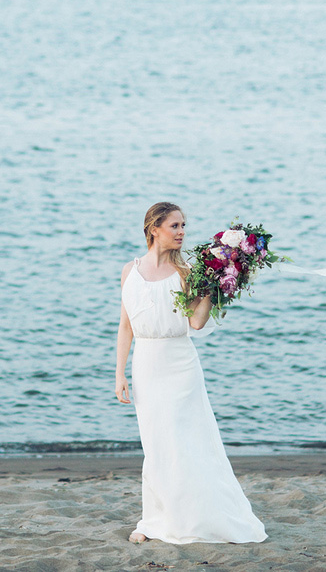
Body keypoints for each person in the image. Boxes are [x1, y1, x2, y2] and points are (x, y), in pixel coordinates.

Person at [115, 201, 267, 545]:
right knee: (155, 445)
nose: (182, 232)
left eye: (184, 225)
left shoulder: (186, 273)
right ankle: (155, 519)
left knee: (185, 442)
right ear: (154, 228)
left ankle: (194, 518)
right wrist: (119, 373)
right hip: (146, 364)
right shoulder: (129, 271)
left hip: (180, 365)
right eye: (175, 226)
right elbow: (125, 325)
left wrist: (217, 284)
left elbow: (196, 322)